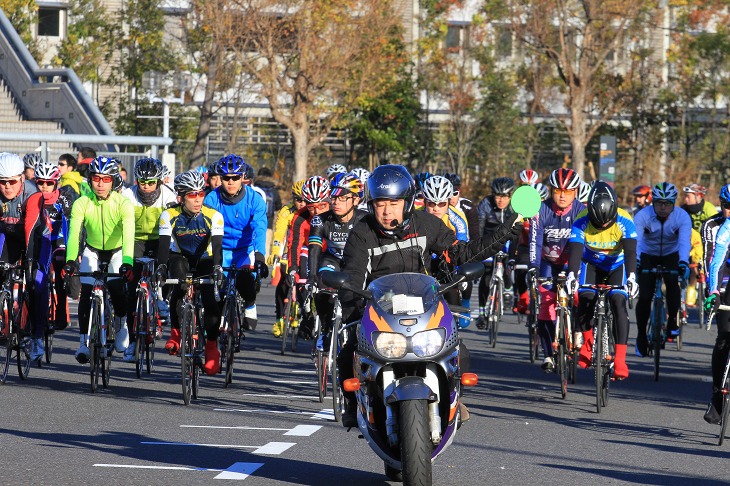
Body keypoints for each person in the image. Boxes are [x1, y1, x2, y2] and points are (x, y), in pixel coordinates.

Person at [336, 165, 522, 427]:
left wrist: (505, 232)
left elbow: (460, 253)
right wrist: (354, 318)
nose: (387, 211)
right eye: (380, 203)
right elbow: (351, 280)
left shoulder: (426, 223)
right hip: (380, 310)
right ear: (370, 204)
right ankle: (353, 405)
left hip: (424, 306)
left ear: (408, 202)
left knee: (460, 350)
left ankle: (453, 397)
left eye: (394, 202)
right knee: (347, 353)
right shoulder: (361, 233)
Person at [63, 157, 135, 363]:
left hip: (118, 251)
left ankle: (121, 324)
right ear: (90, 179)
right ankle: (83, 343)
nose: (101, 184)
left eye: (106, 179)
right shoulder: (82, 203)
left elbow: (129, 235)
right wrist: (70, 261)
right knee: (86, 294)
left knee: (116, 288)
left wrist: (127, 262)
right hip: (92, 250)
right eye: (96, 179)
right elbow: (75, 234)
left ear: (113, 181)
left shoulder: (123, 204)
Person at [566, 182, 637, 380]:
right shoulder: (581, 220)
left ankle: (621, 360)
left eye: (607, 223)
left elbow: (631, 252)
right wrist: (572, 275)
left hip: (617, 265)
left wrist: (632, 277)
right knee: (586, 297)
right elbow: (575, 251)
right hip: (591, 264)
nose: (603, 226)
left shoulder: (625, 219)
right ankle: (587, 346)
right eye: (599, 224)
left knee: (618, 302)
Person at [157, 171, 225, 375]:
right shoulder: (168, 215)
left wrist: (218, 268)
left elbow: (218, 247)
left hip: (206, 258)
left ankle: (212, 348)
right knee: (178, 285)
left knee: (212, 301)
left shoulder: (214, 215)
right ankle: (176, 333)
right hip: (181, 257)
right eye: (192, 195)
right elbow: (163, 249)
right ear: (180, 197)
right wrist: (161, 268)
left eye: (201, 194)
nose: (198, 200)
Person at [120, 158, 177, 362]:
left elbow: (173, 227)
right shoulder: (127, 195)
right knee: (132, 290)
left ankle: (164, 299)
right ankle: (133, 340)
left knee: (168, 265)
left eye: (151, 183)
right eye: (142, 182)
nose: (146, 187)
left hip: (160, 239)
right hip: (135, 240)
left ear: (159, 181)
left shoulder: (168, 195)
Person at [529, 168, 584, 372]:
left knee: (579, 295)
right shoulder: (541, 210)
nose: (562, 195)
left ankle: (578, 328)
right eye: (558, 190)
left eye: (568, 191)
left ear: (575, 192)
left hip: (573, 261)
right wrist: (533, 268)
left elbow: (584, 245)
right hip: (548, 261)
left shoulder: (581, 211)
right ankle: (549, 354)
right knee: (546, 305)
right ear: (551, 190)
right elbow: (535, 241)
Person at [204, 154, 268, 331]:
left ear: (242, 178)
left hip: (244, 249)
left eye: (235, 178)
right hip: (221, 248)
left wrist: (260, 258)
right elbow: (206, 231)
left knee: (245, 279)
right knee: (218, 290)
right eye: (226, 178)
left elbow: (259, 230)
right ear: (220, 179)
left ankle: (250, 304)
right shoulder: (211, 199)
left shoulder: (255, 200)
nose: (230, 182)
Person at [23, 161, 78, 360]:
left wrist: (74, 254)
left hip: (60, 237)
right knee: (38, 280)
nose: (44, 187)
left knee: (61, 259)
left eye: (49, 183)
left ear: (57, 183)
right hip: (42, 238)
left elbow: (71, 225)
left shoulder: (65, 198)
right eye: (40, 183)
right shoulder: (33, 198)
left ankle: (62, 301)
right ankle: (34, 323)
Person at [633, 182, 692, 357]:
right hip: (647, 254)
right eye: (659, 203)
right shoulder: (643, 215)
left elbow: (684, 242)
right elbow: (636, 240)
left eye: (667, 204)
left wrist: (683, 262)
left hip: (671, 254)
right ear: (653, 202)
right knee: (644, 296)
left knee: (673, 282)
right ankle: (641, 335)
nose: (663, 207)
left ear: (674, 203)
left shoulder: (682, 216)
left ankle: (673, 320)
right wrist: (636, 261)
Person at [307, 173, 366, 343]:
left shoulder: (365, 220)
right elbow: (314, 249)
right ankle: (326, 329)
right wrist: (312, 277)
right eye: (333, 197)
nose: (336, 202)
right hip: (332, 261)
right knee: (321, 286)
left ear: (355, 200)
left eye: (342, 198)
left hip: (355, 264)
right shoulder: (320, 220)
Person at [278, 176, 331, 338]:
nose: (316, 212)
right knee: (303, 268)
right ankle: (306, 311)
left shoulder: (336, 213)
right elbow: (294, 243)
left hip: (330, 251)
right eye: (311, 207)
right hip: (309, 249)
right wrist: (293, 269)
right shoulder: (300, 217)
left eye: (321, 206)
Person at [476, 177, 517, 329]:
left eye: (505, 196)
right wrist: (478, 251)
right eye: (497, 196)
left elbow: (517, 233)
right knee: (486, 275)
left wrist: (513, 256)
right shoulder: (485, 204)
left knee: (508, 263)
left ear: (510, 196)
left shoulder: (514, 206)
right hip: (489, 240)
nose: (501, 200)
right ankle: (481, 313)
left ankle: (507, 289)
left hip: (508, 239)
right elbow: (479, 228)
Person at [269, 180, 307, 336]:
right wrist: (275, 252)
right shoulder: (287, 211)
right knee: (283, 282)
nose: (302, 203)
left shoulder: (314, 211)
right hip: (290, 248)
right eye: (298, 200)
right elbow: (279, 234)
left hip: (309, 248)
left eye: (305, 200)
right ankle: (279, 319)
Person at [0, 152, 38, 265]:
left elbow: (30, 229)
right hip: (9, 235)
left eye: (12, 181)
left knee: (36, 275)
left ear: (22, 178)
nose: (7, 186)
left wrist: (30, 260)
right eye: (2, 181)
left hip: (34, 235)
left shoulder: (32, 193)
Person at [254, 166, 282, 257]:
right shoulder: (274, 190)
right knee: (264, 248)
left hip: (252, 223)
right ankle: (263, 268)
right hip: (267, 224)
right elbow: (279, 206)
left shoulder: (253, 188)